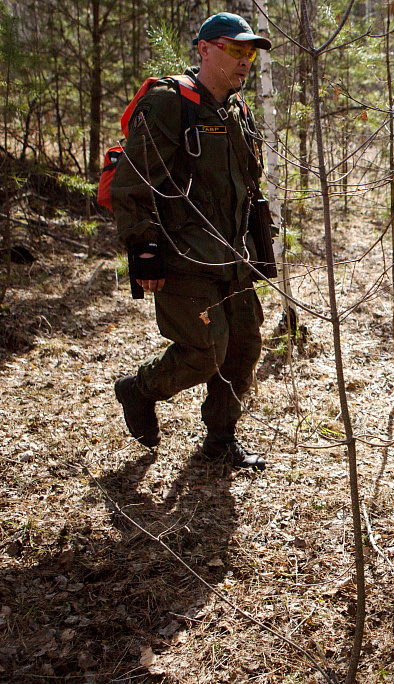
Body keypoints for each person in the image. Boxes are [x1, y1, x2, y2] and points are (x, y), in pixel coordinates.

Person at [111, 13, 272, 471]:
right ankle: (138, 390)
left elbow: (248, 186)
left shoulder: (238, 112)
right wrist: (144, 251)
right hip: (181, 254)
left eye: (250, 53)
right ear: (204, 50)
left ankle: (220, 440)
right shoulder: (170, 103)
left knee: (243, 346)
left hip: (234, 255)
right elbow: (132, 184)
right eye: (235, 49)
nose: (245, 61)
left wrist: (261, 242)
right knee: (204, 352)